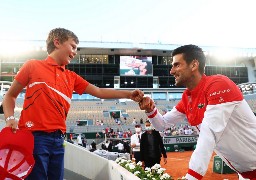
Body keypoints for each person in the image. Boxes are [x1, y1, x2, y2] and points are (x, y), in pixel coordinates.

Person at [2, 28, 144, 180]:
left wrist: (129, 94)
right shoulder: (32, 65)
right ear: (57, 42)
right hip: (34, 138)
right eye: (73, 46)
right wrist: (10, 118)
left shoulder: (72, 77)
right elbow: (10, 96)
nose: (75, 52)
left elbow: (99, 92)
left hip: (58, 141)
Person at [138, 44, 256, 180]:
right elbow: (162, 124)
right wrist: (150, 110)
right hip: (245, 173)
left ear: (194, 65)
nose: (171, 71)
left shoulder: (219, 84)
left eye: (176, 65)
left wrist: (192, 177)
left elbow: (209, 132)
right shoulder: (187, 97)